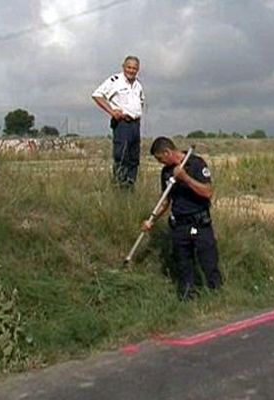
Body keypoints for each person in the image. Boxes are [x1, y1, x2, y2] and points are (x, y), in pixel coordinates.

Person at [142, 137, 222, 300]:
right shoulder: (166, 172)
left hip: (200, 223)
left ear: (168, 152)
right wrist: (152, 219)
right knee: (183, 264)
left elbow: (208, 192)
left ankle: (216, 295)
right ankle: (187, 296)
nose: (160, 163)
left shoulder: (196, 164)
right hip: (179, 225)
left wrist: (185, 177)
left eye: (160, 158)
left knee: (208, 262)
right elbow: (165, 201)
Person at [92, 55, 145, 188]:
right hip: (123, 124)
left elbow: (141, 102)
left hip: (135, 125)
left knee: (134, 159)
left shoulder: (138, 85)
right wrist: (112, 111)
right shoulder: (115, 81)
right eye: (129, 67)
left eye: (134, 68)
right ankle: (119, 188)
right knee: (121, 157)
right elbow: (97, 95)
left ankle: (130, 187)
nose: (131, 71)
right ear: (123, 67)